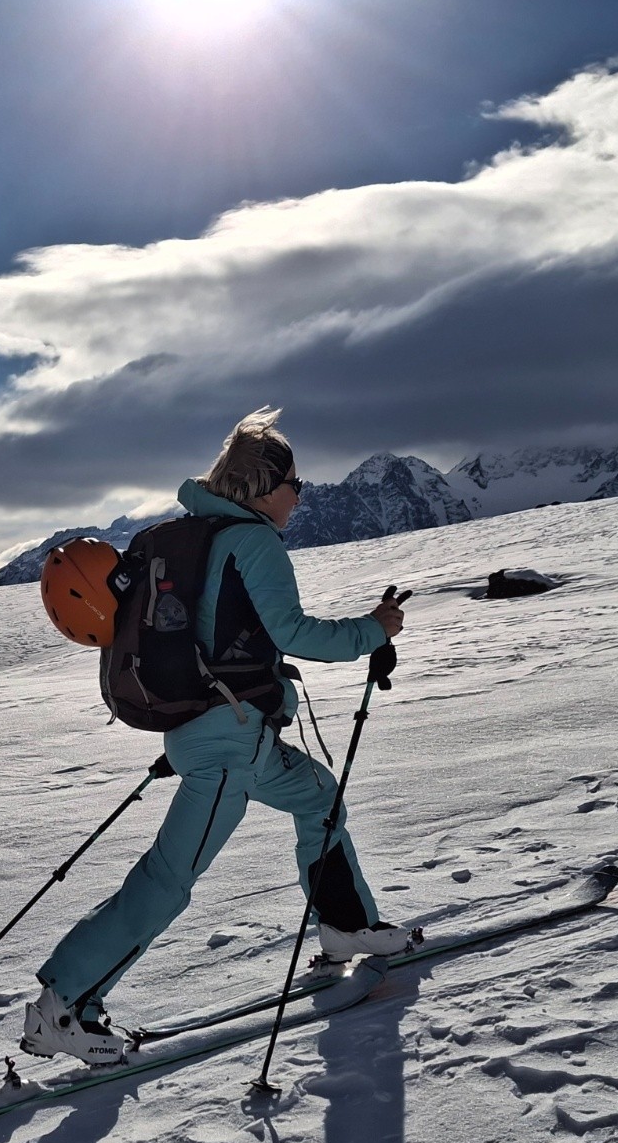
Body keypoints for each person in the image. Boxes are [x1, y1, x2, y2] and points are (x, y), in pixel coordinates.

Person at [22, 407, 409, 1065]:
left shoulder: (183, 537)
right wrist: (376, 628)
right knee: (170, 879)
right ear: (263, 486)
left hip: (230, 738)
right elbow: (297, 633)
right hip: (225, 747)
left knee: (319, 799)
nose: (299, 495)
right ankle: (64, 1005)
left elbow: (217, 640)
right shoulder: (251, 541)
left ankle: (346, 929)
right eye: (295, 482)